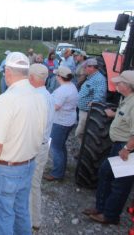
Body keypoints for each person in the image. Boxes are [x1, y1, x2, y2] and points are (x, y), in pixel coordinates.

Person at [0, 52, 47, 235]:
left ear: (8, 71)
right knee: (21, 211)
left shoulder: (5, 100)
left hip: (5, 170)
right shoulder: (40, 97)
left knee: (2, 216)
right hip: (28, 165)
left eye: (4, 72)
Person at [83, 70, 134, 225]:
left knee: (120, 184)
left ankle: (111, 216)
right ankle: (101, 208)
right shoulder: (126, 99)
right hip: (118, 145)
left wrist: (127, 148)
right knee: (105, 173)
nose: (116, 84)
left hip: (125, 149)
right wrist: (115, 114)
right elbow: (125, 117)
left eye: (119, 82)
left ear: (128, 85)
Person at [28, 63, 55, 231]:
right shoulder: (47, 95)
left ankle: (33, 221)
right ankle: (32, 219)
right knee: (33, 183)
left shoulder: (36, 98)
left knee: (32, 185)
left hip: (35, 147)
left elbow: (34, 128)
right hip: (42, 145)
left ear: (31, 78)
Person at [43, 66, 78, 181]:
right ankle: (61, 169)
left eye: (57, 75)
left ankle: (57, 173)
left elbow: (56, 107)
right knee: (61, 146)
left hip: (60, 122)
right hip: (68, 121)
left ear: (59, 77)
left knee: (55, 148)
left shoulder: (63, 90)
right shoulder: (71, 86)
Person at [75, 58, 107, 144]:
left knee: (80, 133)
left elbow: (100, 95)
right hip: (83, 110)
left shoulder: (99, 79)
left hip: (87, 112)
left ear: (93, 67)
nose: (84, 69)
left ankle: (82, 153)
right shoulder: (91, 77)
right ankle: (80, 150)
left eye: (86, 67)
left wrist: (93, 102)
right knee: (80, 133)